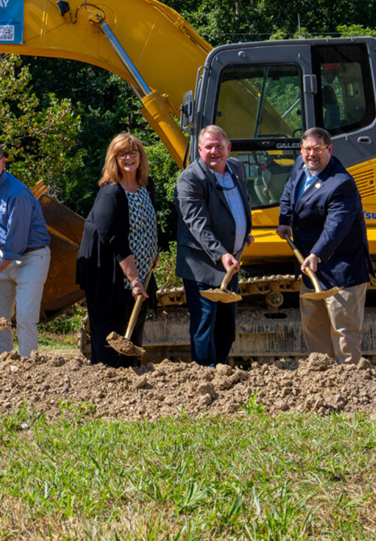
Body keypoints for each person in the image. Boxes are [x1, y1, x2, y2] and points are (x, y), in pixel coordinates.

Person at [276, 127, 370, 364]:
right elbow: (289, 191)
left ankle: (350, 386)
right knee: (314, 331)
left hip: (341, 269)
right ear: (301, 149)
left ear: (329, 149)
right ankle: (323, 383)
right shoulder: (301, 165)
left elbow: (336, 226)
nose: (311, 154)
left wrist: (317, 253)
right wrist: (285, 220)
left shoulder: (341, 183)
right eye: (307, 149)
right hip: (311, 269)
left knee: (344, 334)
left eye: (318, 149)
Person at [76, 133, 158, 367]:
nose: (129, 157)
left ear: (141, 157)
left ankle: (133, 382)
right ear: (114, 158)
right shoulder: (111, 193)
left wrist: (154, 254)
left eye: (134, 152)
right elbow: (114, 240)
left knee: (132, 338)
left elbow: (150, 223)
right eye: (123, 153)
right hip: (109, 278)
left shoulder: (146, 186)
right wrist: (134, 280)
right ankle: (108, 384)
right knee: (111, 339)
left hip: (140, 273)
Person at [176, 125, 254, 366]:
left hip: (230, 264)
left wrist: (245, 231)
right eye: (208, 147)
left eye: (219, 146)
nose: (214, 151)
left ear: (228, 147)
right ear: (199, 150)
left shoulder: (236, 168)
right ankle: (204, 375)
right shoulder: (190, 178)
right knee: (204, 324)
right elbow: (197, 223)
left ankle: (221, 369)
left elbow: (244, 200)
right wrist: (221, 253)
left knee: (226, 327)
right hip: (201, 263)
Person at [0, 140, 52, 371]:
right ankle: (0, 371)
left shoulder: (17, 194)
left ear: (3, 162)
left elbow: (16, 244)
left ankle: (29, 372)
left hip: (31, 257)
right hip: (6, 256)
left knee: (26, 318)